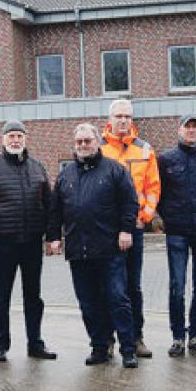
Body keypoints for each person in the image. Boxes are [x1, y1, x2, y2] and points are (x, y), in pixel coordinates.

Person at [46, 123, 140, 368]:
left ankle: (128, 349)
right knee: (88, 302)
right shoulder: (66, 175)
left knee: (118, 299)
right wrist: (54, 236)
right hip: (79, 250)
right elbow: (55, 210)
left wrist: (126, 230)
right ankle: (100, 347)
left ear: (97, 142)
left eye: (87, 141)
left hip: (110, 249)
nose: (83, 145)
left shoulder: (114, 170)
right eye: (79, 142)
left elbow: (130, 203)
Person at [0, 120, 57, 363]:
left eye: (19, 135)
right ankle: (0, 345)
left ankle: (35, 344)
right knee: (3, 296)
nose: (15, 140)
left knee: (34, 296)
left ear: (25, 139)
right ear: (3, 140)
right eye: (11, 135)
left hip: (31, 243)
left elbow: (50, 205)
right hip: (3, 244)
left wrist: (52, 237)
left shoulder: (38, 168)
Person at [99, 99, 160, 358]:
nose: (123, 120)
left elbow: (153, 188)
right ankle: (108, 339)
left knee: (132, 286)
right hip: (105, 230)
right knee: (108, 287)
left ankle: (136, 338)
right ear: (109, 119)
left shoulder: (144, 150)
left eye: (127, 116)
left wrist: (143, 217)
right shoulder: (99, 149)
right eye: (118, 116)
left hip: (133, 228)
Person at [157, 114, 196, 357]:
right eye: (187, 126)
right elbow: (159, 191)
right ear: (179, 130)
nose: (191, 130)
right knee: (177, 286)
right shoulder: (166, 159)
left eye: (195, 127)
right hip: (177, 231)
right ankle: (177, 338)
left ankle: (195, 335)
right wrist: (166, 218)